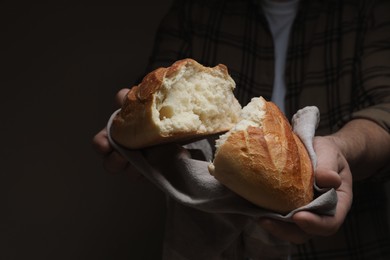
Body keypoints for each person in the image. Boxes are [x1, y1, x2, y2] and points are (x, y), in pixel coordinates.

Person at [93, 0, 390, 258]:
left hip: (345, 245)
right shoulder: (196, 9)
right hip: (219, 250)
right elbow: (149, 89)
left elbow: (386, 108)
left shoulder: (365, 8)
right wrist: (138, 131)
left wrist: (342, 146)